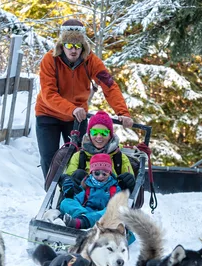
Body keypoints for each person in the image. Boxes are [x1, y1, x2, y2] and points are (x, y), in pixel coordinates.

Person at [35, 19, 134, 178]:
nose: (73, 50)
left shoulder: (92, 61)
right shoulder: (50, 60)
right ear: (62, 45)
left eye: (77, 45)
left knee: (80, 157)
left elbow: (109, 86)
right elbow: (49, 94)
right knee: (49, 158)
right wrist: (72, 109)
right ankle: (53, 193)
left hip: (77, 117)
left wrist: (123, 113)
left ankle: (77, 192)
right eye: (69, 45)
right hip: (48, 114)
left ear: (83, 46)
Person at [64, 110, 136, 191]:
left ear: (110, 135)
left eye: (104, 133)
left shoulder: (120, 158)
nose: (99, 136)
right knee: (78, 174)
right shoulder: (79, 156)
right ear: (89, 134)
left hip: (112, 199)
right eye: (94, 132)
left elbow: (131, 187)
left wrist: (129, 182)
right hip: (82, 199)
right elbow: (69, 178)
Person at [58, 154, 135, 229]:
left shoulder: (114, 188)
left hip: (102, 214)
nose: (100, 176)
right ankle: (81, 219)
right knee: (66, 202)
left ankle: (82, 222)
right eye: (97, 173)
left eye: (104, 173)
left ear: (109, 173)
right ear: (91, 172)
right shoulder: (87, 185)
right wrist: (69, 195)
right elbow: (77, 199)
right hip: (85, 211)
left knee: (113, 210)